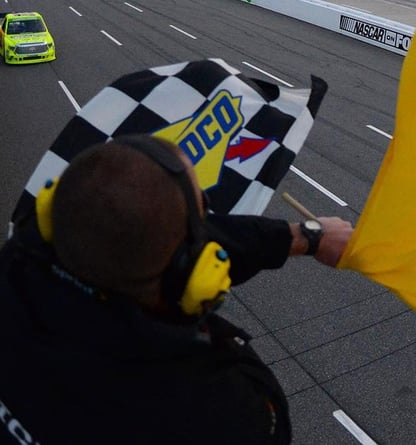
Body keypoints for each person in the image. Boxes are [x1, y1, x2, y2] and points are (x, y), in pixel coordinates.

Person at [0, 134, 354, 444]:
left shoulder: (14, 270)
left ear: (50, 214)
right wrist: (191, 314)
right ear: (188, 275)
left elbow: (128, 232)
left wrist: (299, 237)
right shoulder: (220, 414)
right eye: (202, 217)